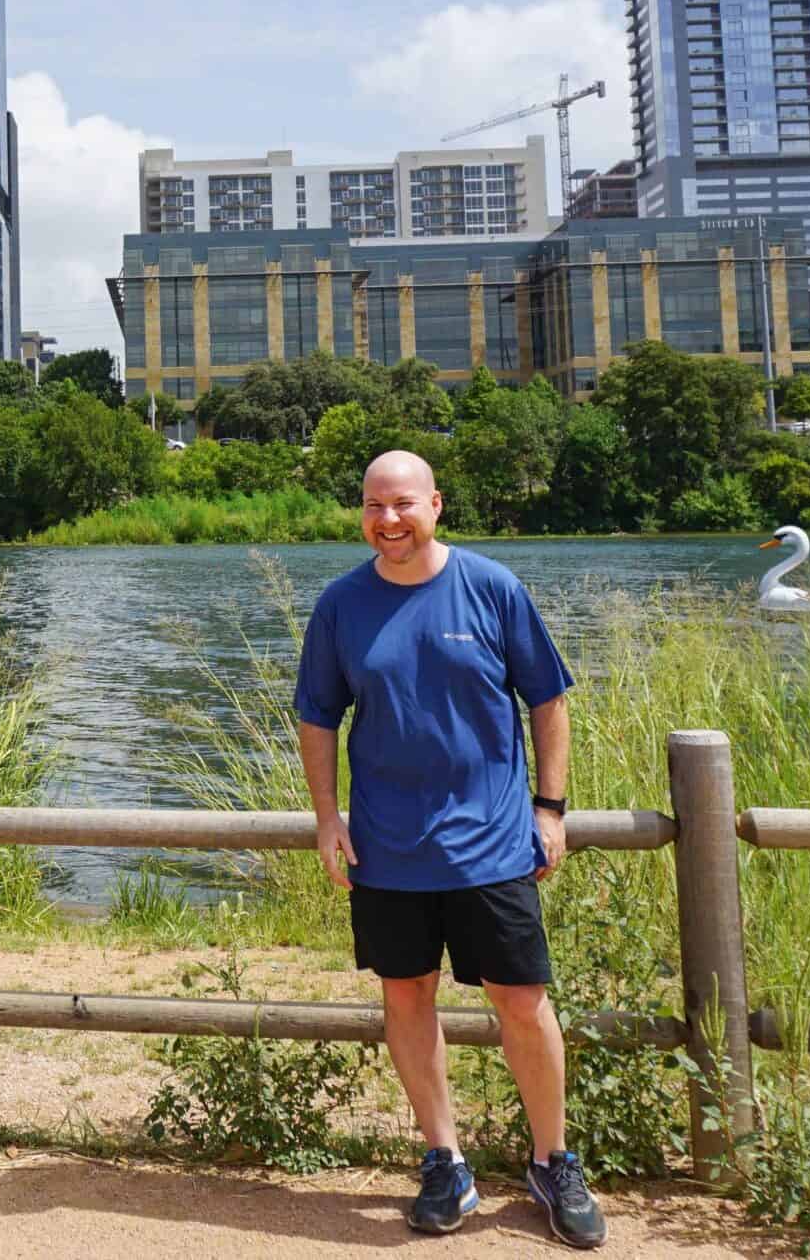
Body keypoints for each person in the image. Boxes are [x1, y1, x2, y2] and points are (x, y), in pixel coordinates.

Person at [295, 449, 606, 1249]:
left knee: (523, 1002)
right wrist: (328, 818)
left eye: (402, 503)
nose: (387, 520)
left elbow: (548, 700)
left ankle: (553, 1159)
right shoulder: (340, 605)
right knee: (407, 998)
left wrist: (551, 807)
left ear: (435, 504)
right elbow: (318, 717)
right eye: (372, 505)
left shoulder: (492, 587)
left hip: (494, 843)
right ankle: (445, 1160)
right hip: (387, 849)